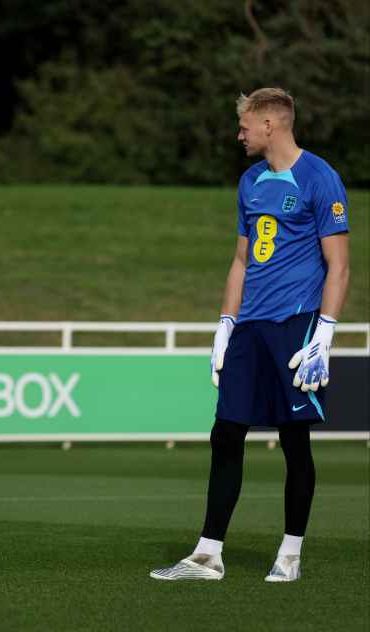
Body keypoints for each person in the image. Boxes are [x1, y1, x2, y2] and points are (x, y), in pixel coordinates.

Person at [150, 88, 350, 582]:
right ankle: (207, 555)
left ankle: (290, 553)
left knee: (294, 441)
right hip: (250, 328)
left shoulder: (321, 179)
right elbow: (241, 260)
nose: (238, 134)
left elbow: (339, 266)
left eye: (244, 126)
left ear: (270, 125)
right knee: (226, 433)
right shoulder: (250, 181)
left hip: (295, 326)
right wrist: (224, 324)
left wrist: (323, 335)